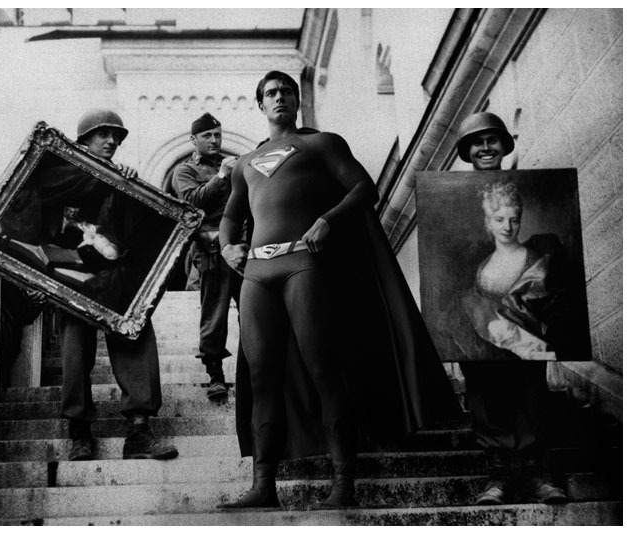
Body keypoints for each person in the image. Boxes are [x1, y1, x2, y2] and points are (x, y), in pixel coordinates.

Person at [217, 71, 460, 509]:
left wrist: (328, 219)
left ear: (296, 100)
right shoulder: (244, 164)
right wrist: (226, 248)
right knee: (261, 377)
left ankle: (343, 484)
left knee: (322, 367)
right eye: (270, 93)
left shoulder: (321, 143)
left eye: (286, 91)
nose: (280, 97)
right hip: (257, 272)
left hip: (303, 264)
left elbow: (365, 187)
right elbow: (231, 217)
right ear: (260, 105)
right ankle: (262, 487)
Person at [33, 109, 179, 462]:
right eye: (104, 134)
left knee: (134, 333)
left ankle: (139, 432)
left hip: (116, 278)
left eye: (117, 136)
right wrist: (33, 278)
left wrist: (128, 186)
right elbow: (35, 227)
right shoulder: (57, 177)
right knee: (73, 350)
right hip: (72, 278)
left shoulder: (120, 181)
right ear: (83, 139)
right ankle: (79, 434)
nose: (112, 141)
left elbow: (138, 233)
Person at [455, 112, 567, 505]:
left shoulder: (538, 253)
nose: (485, 147)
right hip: (480, 340)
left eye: (492, 140)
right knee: (486, 402)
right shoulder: (466, 243)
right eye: (477, 142)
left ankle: (539, 476)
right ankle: (499, 478)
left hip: (525, 339)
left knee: (531, 396)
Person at [173, 113, 242, 400]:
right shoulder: (185, 170)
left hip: (242, 248)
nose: (214, 140)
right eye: (207, 136)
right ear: (194, 140)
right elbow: (191, 204)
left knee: (253, 312)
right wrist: (222, 176)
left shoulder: (234, 165)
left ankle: (256, 372)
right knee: (214, 314)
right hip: (211, 249)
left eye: (217, 135)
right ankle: (215, 374)